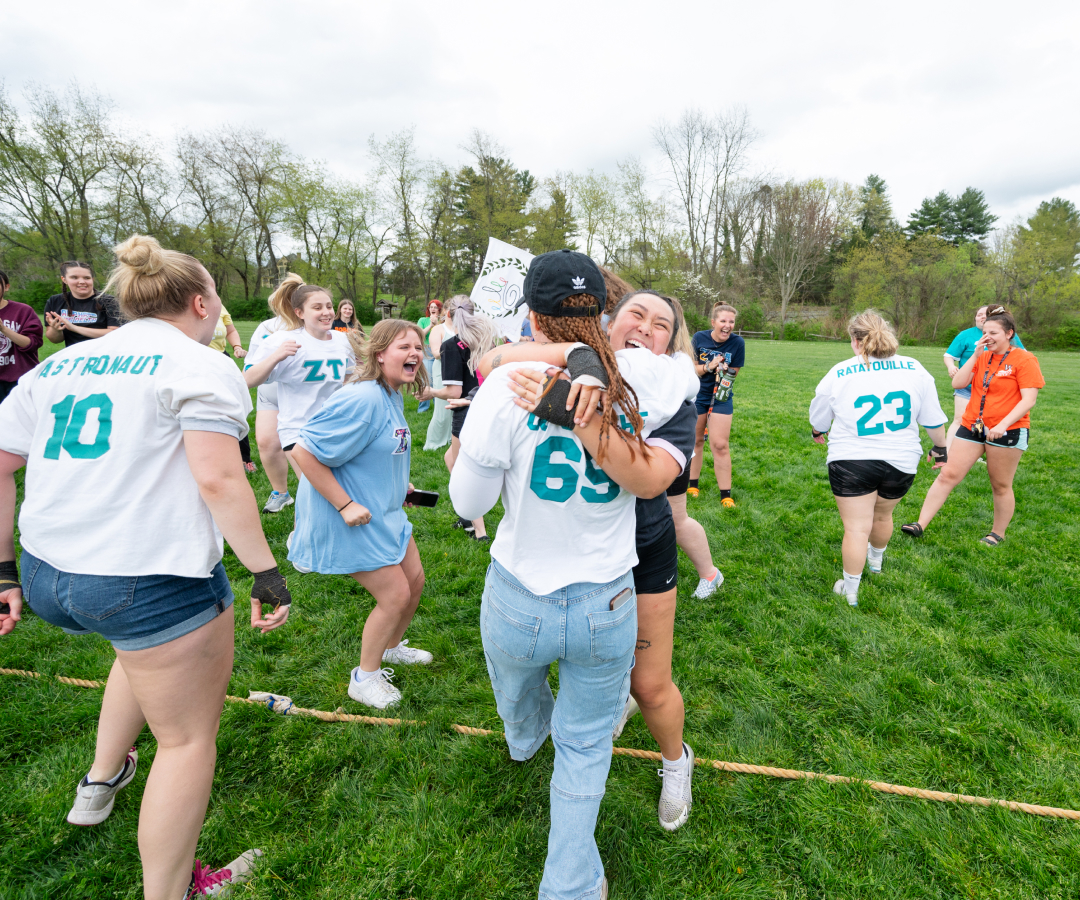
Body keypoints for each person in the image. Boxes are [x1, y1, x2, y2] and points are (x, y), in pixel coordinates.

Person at [0, 234, 293, 900]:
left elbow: (1, 463)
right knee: (186, 741)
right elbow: (220, 478)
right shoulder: (200, 360)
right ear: (199, 302)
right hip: (142, 579)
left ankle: (99, 783)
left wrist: (4, 571)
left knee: (137, 653)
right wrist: (266, 572)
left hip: (50, 572)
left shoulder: (58, 366)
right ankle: (172, 891)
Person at [450, 250, 691, 899]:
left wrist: (498, 376)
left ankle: (527, 739)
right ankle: (570, 885)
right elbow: (648, 378)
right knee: (585, 746)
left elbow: (466, 506)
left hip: (522, 592)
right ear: (603, 313)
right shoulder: (649, 380)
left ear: (532, 315)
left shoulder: (511, 383)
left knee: (521, 701)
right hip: (606, 601)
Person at [289, 319, 433, 709]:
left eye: (418, 347)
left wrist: (400, 484)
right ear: (380, 353)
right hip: (349, 515)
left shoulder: (391, 394)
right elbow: (303, 452)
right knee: (395, 595)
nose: (414, 354)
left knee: (414, 581)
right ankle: (364, 678)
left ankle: (390, 647)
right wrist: (345, 504)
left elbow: (379, 447)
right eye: (404, 347)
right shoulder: (363, 398)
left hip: (384, 509)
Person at [808, 311, 949, 606]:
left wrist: (818, 430)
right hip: (901, 459)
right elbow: (933, 419)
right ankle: (875, 563)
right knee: (883, 515)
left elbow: (820, 412)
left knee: (857, 528)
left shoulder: (840, 371)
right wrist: (940, 448)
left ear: (855, 340)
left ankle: (850, 591)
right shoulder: (915, 367)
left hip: (852, 458)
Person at [903, 306, 1044, 547]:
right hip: (973, 425)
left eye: (994, 333)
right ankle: (920, 524)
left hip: (1007, 429)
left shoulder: (1024, 359)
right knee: (948, 474)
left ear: (1009, 334)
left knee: (999, 484)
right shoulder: (981, 356)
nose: (987, 337)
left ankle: (997, 533)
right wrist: (976, 355)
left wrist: (1002, 424)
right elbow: (958, 382)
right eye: (984, 332)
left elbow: (1028, 399)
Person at [244, 280, 355, 478]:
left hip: (335, 429)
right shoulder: (282, 340)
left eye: (329, 306)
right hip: (299, 431)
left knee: (338, 491)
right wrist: (276, 356)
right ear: (299, 313)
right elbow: (247, 380)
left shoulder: (343, 340)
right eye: (317, 307)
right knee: (317, 492)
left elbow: (348, 379)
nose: (326, 312)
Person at [429, 295, 502, 540]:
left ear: (447, 315)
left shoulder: (451, 345)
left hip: (465, 410)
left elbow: (453, 392)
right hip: (488, 406)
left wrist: (429, 392)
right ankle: (465, 515)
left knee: (463, 471)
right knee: (449, 457)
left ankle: (478, 531)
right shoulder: (489, 341)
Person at [244, 278, 302, 513]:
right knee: (267, 443)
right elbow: (249, 367)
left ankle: (318, 492)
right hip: (269, 393)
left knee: (301, 448)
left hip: (299, 395)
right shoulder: (267, 327)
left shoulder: (312, 327)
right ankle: (281, 493)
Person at [943, 305, 1025, 449]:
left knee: (986, 421)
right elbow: (949, 357)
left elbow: (1020, 356)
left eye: (985, 314)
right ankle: (948, 450)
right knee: (961, 420)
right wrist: (953, 366)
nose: (982, 316)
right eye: (979, 314)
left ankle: (981, 449)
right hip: (969, 386)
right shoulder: (966, 335)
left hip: (995, 389)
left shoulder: (1015, 345)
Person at [689, 303, 745, 506]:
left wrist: (726, 373)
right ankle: (692, 484)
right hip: (697, 395)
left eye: (731, 321)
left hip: (721, 396)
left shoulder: (737, 343)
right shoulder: (699, 338)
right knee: (696, 440)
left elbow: (735, 372)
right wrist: (708, 366)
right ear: (713, 322)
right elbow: (691, 369)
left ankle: (726, 495)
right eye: (723, 321)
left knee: (720, 445)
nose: (727, 325)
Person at [209, 305, 255, 474]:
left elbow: (230, 330)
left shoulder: (218, 306)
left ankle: (245, 459)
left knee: (235, 407)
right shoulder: (181, 303)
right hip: (196, 361)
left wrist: (236, 346)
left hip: (222, 359)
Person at [43, 261, 122, 347]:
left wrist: (75, 328)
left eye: (87, 278)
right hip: (74, 356)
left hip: (104, 355)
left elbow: (115, 334)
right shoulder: (55, 301)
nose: (82, 281)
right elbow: (55, 340)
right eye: (74, 277)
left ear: (92, 279)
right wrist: (56, 330)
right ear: (64, 279)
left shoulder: (109, 301)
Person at [0, 270, 44, 405]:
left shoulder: (23, 311)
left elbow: (32, 344)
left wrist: (3, 329)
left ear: (6, 287)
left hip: (20, 379)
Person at [423, 302, 453, 451]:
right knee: (442, 408)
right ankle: (434, 442)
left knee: (457, 406)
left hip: (460, 369)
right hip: (442, 368)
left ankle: (452, 438)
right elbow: (435, 353)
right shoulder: (438, 329)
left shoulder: (464, 328)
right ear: (447, 312)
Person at [416, 299, 442, 413]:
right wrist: (431, 324)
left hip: (440, 351)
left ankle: (438, 406)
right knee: (426, 378)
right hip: (426, 350)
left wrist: (437, 324)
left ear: (439, 309)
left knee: (438, 378)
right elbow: (419, 335)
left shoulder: (443, 321)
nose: (433, 309)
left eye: (435, 307)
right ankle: (423, 408)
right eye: (431, 307)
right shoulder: (423, 320)